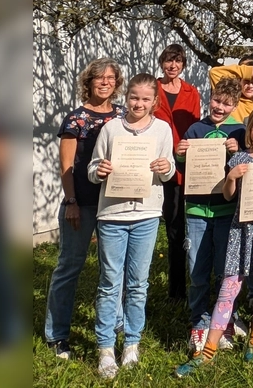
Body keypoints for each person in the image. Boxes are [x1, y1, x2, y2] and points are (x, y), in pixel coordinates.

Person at [176, 107, 253, 377]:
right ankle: (209, 348)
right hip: (241, 228)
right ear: (248, 130)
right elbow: (229, 196)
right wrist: (230, 177)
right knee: (229, 286)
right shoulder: (239, 158)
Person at [87, 73, 176, 378]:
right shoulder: (111, 128)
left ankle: (132, 345)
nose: (139, 104)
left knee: (138, 284)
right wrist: (100, 170)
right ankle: (105, 348)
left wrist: (166, 168)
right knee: (110, 282)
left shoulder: (162, 129)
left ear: (155, 101)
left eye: (145, 99)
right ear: (126, 98)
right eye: (134, 97)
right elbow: (92, 168)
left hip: (146, 215)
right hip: (112, 216)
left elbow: (169, 169)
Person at [44, 58, 124, 360]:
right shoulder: (75, 120)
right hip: (83, 204)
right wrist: (71, 202)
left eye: (111, 78)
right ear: (88, 82)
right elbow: (67, 167)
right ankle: (57, 334)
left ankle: (115, 325)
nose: (105, 82)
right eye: (99, 78)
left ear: (117, 83)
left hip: (115, 205)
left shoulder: (124, 116)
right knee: (69, 267)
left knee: (113, 271)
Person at [175, 78, 247, 354]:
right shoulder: (196, 128)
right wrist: (180, 154)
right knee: (197, 270)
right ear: (210, 98)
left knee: (226, 270)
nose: (220, 107)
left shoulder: (239, 131)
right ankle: (199, 322)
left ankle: (225, 320)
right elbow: (184, 165)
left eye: (227, 103)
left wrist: (237, 152)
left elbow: (247, 165)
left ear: (235, 105)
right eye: (217, 100)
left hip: (227, 210)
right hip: (196, 210)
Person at [154, 44, 201, 301]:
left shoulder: (191, 92)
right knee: (173, 228)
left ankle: (197, 282)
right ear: (162, 63)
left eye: (178, 61)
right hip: (161, 165)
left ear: (183, 64)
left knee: (192, 226)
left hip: (188, 165)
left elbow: (195, 127)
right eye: (168, 61)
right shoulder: (153, 90)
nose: (173, 66)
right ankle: (176, 290)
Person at [208, 57, 253, 123]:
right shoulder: (230, 100)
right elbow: (214, 73)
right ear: (239, 81)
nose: (250, 86)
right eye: (246, 81)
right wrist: (247, 71)